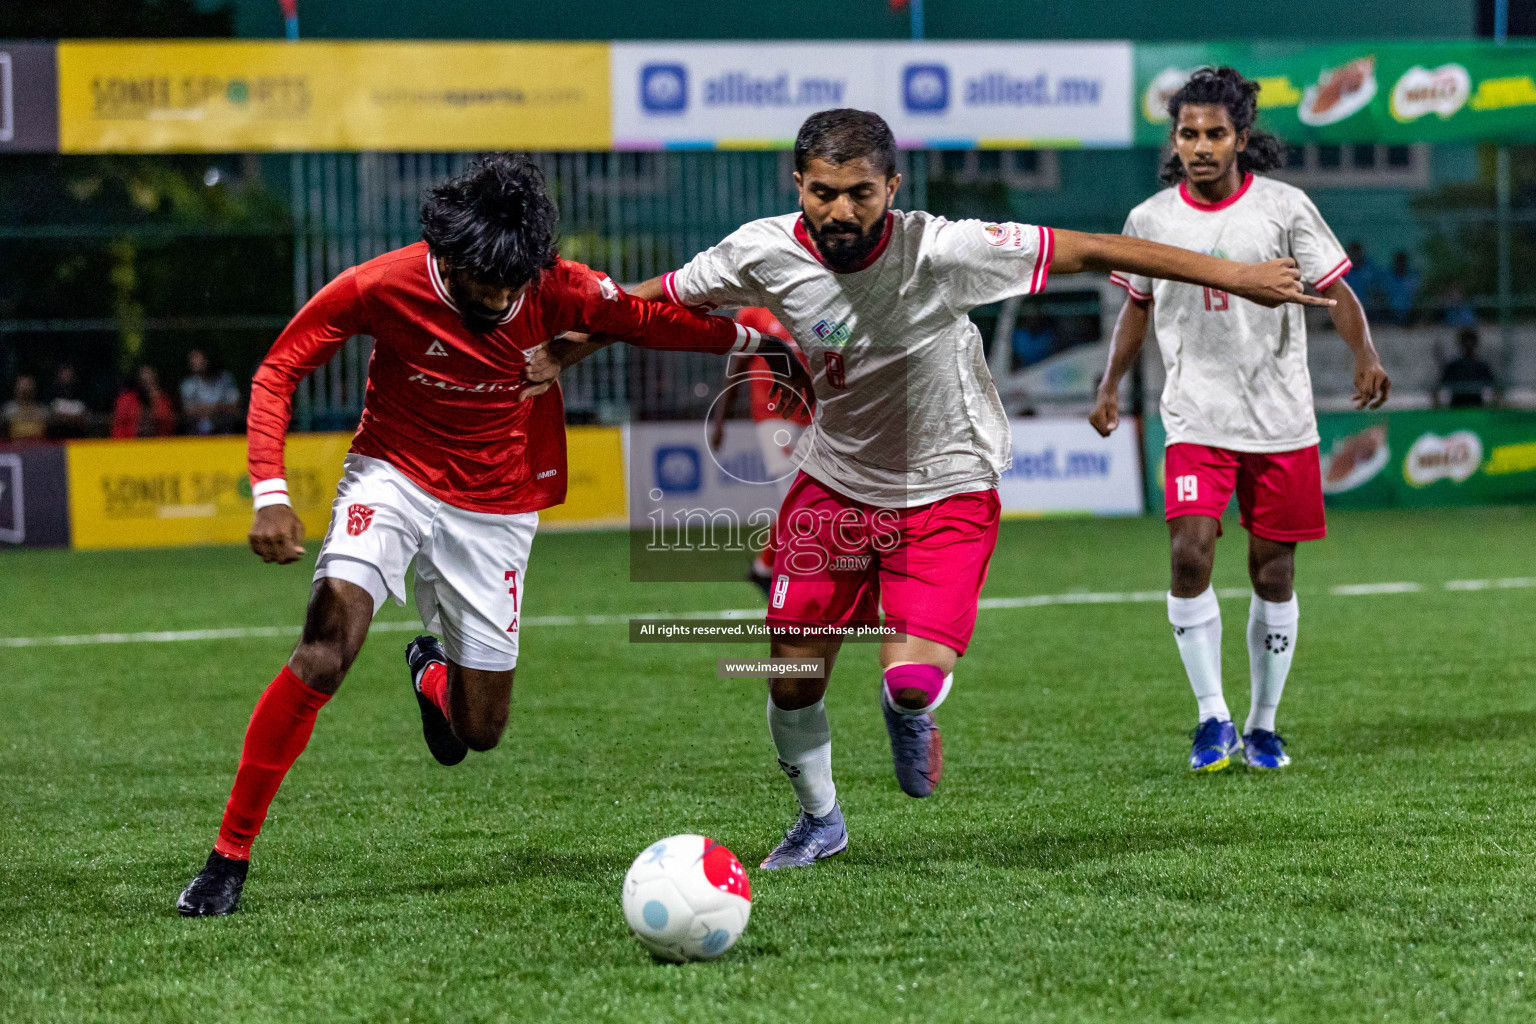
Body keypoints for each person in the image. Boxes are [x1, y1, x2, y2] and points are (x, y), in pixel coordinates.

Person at [529, 108, 1332, 869]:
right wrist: (568, 350)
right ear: (797, 185)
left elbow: (1092, 250)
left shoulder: (946, 249)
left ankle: (908, 713)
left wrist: (1235, 274)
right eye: (822, 191)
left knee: (910, 683)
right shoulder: (761, 251)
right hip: (835, 484)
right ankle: (819, 820)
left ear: (893, 190)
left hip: (947, 485)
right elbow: (655, 298)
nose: (840, 210)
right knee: (790, 675)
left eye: (860, 193)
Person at [174, 154, 791, 917]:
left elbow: (646, 321)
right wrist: (270, 492)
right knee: (325, 647)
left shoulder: (556, 285)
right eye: (482, 281)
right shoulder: (383, 284)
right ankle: (227, 859)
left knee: (481, 729)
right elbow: (280, 368)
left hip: (496, 507)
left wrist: (755, 340)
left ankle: (430, 672)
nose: (500, 297)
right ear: (445, 255)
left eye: (513, 283)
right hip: (392, 477)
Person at [1089, 67, 1390, 773]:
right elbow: (1138, 306)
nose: (1199, 146)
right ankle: (1211, 718)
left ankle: (1262, 725)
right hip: (1196, 417)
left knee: (1273, 572)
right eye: (1187, 133)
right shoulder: (1151, 220)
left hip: (1281, 421)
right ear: (1175, 139)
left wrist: (1365, 353)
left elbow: (1334, 290)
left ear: (1240, 138)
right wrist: (1110, 386)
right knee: (1190, 553)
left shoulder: (1284, 208)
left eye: (1214, 133)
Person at [706, 307, 813, 595]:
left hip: (810, 416)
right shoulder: (753, 314)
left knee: (807, 497)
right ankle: (777, 569)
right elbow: (737, 369)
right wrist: (720, 420)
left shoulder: (804, 304)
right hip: (773, 417)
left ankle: (764, 567)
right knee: (795, 494)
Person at [180, 349, 242, 435]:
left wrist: (208, 408)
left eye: (197, 359)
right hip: (197, 426)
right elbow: (188, 411)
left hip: (222, 424)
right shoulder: (189, 383)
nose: (193, 362)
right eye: (192, 359)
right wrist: (214, 407)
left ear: (207, 359)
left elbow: (234, 406)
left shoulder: (226, 379)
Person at [1437, 326, 1497, 408]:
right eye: (1465, 341)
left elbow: (1493, 389)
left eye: (1471, 341)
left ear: (1476, 343)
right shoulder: (1453, 366)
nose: (1468, 345)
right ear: (1460, 344)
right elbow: (1441, 387)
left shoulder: (1482, 366)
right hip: (1456, 408)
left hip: (1477, 407)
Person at [111, 365, 177, 439]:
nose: (146, 379)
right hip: (128, 443)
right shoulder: (126, 399)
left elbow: (167, 421)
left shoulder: (162, 399)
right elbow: (119, 423)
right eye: (143, 375)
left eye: (149, 376)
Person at [46, 364, 91, 439]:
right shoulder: (51, 395)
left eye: (69, 374)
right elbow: (51, 416)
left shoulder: (82, 396)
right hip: (56, 440)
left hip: (77, 439)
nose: (67, 377)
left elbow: (85, 417)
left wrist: (63, 417)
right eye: (64, 374)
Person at [3, 375, 49, 441]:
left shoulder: (43, 411)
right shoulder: (8, 410)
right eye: (22, 387)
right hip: (15, 448)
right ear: (16, 390)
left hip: (39, 448)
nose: (25, 389)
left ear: (34, 390)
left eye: (28, 386)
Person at [1384, 250, 1419, 327]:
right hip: (1390, 317)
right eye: (1398, 261)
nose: (1400, 264)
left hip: (1409, 317)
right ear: (1395, 262)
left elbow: (1415, 300)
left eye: (1402, 261)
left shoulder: (1412, 279)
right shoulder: (1387, 279)